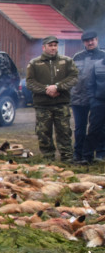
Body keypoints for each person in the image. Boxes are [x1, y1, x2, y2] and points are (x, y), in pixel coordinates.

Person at [25, 35, 79, 162]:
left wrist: (58, 87)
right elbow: (30, 82)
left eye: (55, 45)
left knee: (64, 132)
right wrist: (46, 89)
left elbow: (74, 77)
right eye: (50, 45)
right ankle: (48, 159)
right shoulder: (35, 63)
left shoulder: (67, 61)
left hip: (62, 103)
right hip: (42, 104)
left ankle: (67, 158)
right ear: (44, 47)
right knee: (43, 133)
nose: (53, 48)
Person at [74, 31, 104, 164]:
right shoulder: (77, 57)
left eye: (92, 40)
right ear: (83, 43)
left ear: (97, 40)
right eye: (87, 41)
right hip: (79, 98)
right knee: (80, 128)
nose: (90, 43)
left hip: (97, 98)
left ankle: (99, 154)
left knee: (98, 128)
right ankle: (78, 154)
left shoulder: (103, 56)